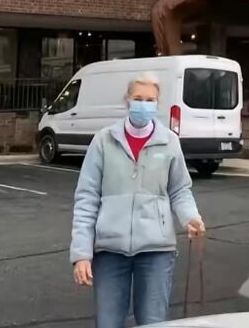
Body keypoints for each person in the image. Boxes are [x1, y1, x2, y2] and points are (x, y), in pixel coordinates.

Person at [70, 72, 205, 327]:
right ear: (128, 100)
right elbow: (87, 199)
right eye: (139, 98)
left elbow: (179, 190)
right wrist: (81, 254)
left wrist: (190, 217)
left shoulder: (169, 142)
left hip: (156, 250)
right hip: (109, 250)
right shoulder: (103, 141)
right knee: (108, 322)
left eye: (150, 99)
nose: (144, 105)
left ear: (157, 103)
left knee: (153, 322)